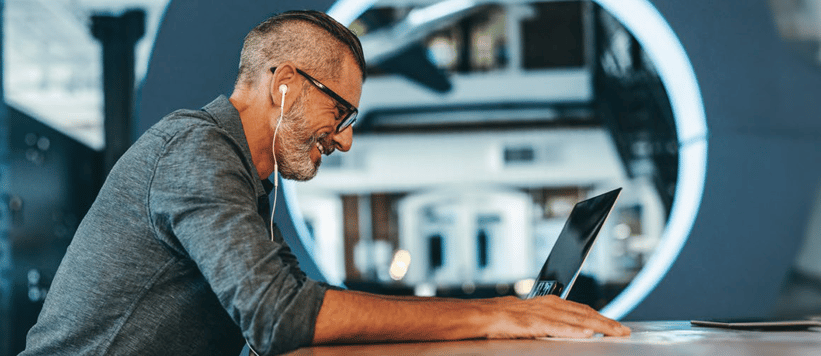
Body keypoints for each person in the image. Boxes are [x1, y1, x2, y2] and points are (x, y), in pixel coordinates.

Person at [19, 9, 629, 356]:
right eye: (341, 112)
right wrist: (493, 315)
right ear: (285, 83)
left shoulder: (240, 175)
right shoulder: (197, 150)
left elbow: (293, 298)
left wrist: (494, 314)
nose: (343, 139)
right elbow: (276, 316)